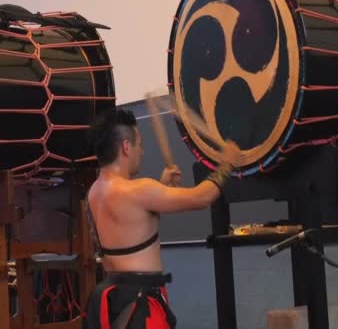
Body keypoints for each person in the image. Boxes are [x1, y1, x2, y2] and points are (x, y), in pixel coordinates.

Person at [82, 108, 241, 329]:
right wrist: (227, 164)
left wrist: (162, 185)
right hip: (139, 307)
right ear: (126, 147)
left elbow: (133, 223)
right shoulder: (137, 190)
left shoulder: (94, 192)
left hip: (111, 301)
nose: (142, 152)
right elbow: (202, 197)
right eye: (140, 145)